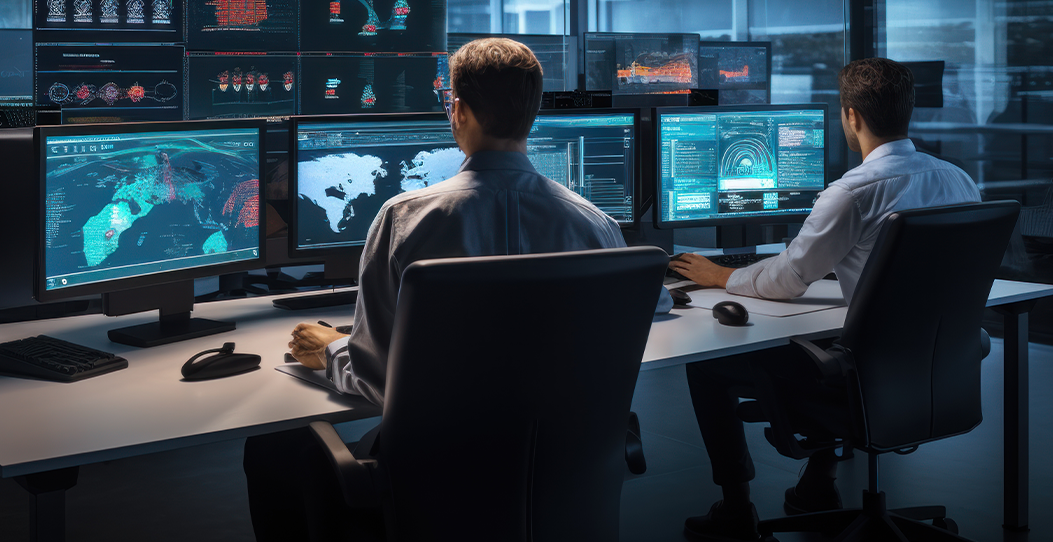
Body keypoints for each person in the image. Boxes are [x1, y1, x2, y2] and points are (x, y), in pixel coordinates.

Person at [243, 37, 633, 541]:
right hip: (563, 462)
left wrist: (332, 348)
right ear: (533, 113)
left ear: (460, 110)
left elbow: (384, 381)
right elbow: (647, 303)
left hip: (439, 470)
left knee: (272, 448)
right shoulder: (596, 224)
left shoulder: (405, 219)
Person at [673, 58, 981, 542]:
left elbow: (788, 278)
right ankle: (819, 485)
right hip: (934, 371)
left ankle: (735, 510)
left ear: (851, 116)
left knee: (706, 366)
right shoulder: (959, 180)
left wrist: (720, 275)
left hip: (863, 379)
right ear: (909, 110)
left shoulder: (853, 192)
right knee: (837, 340)